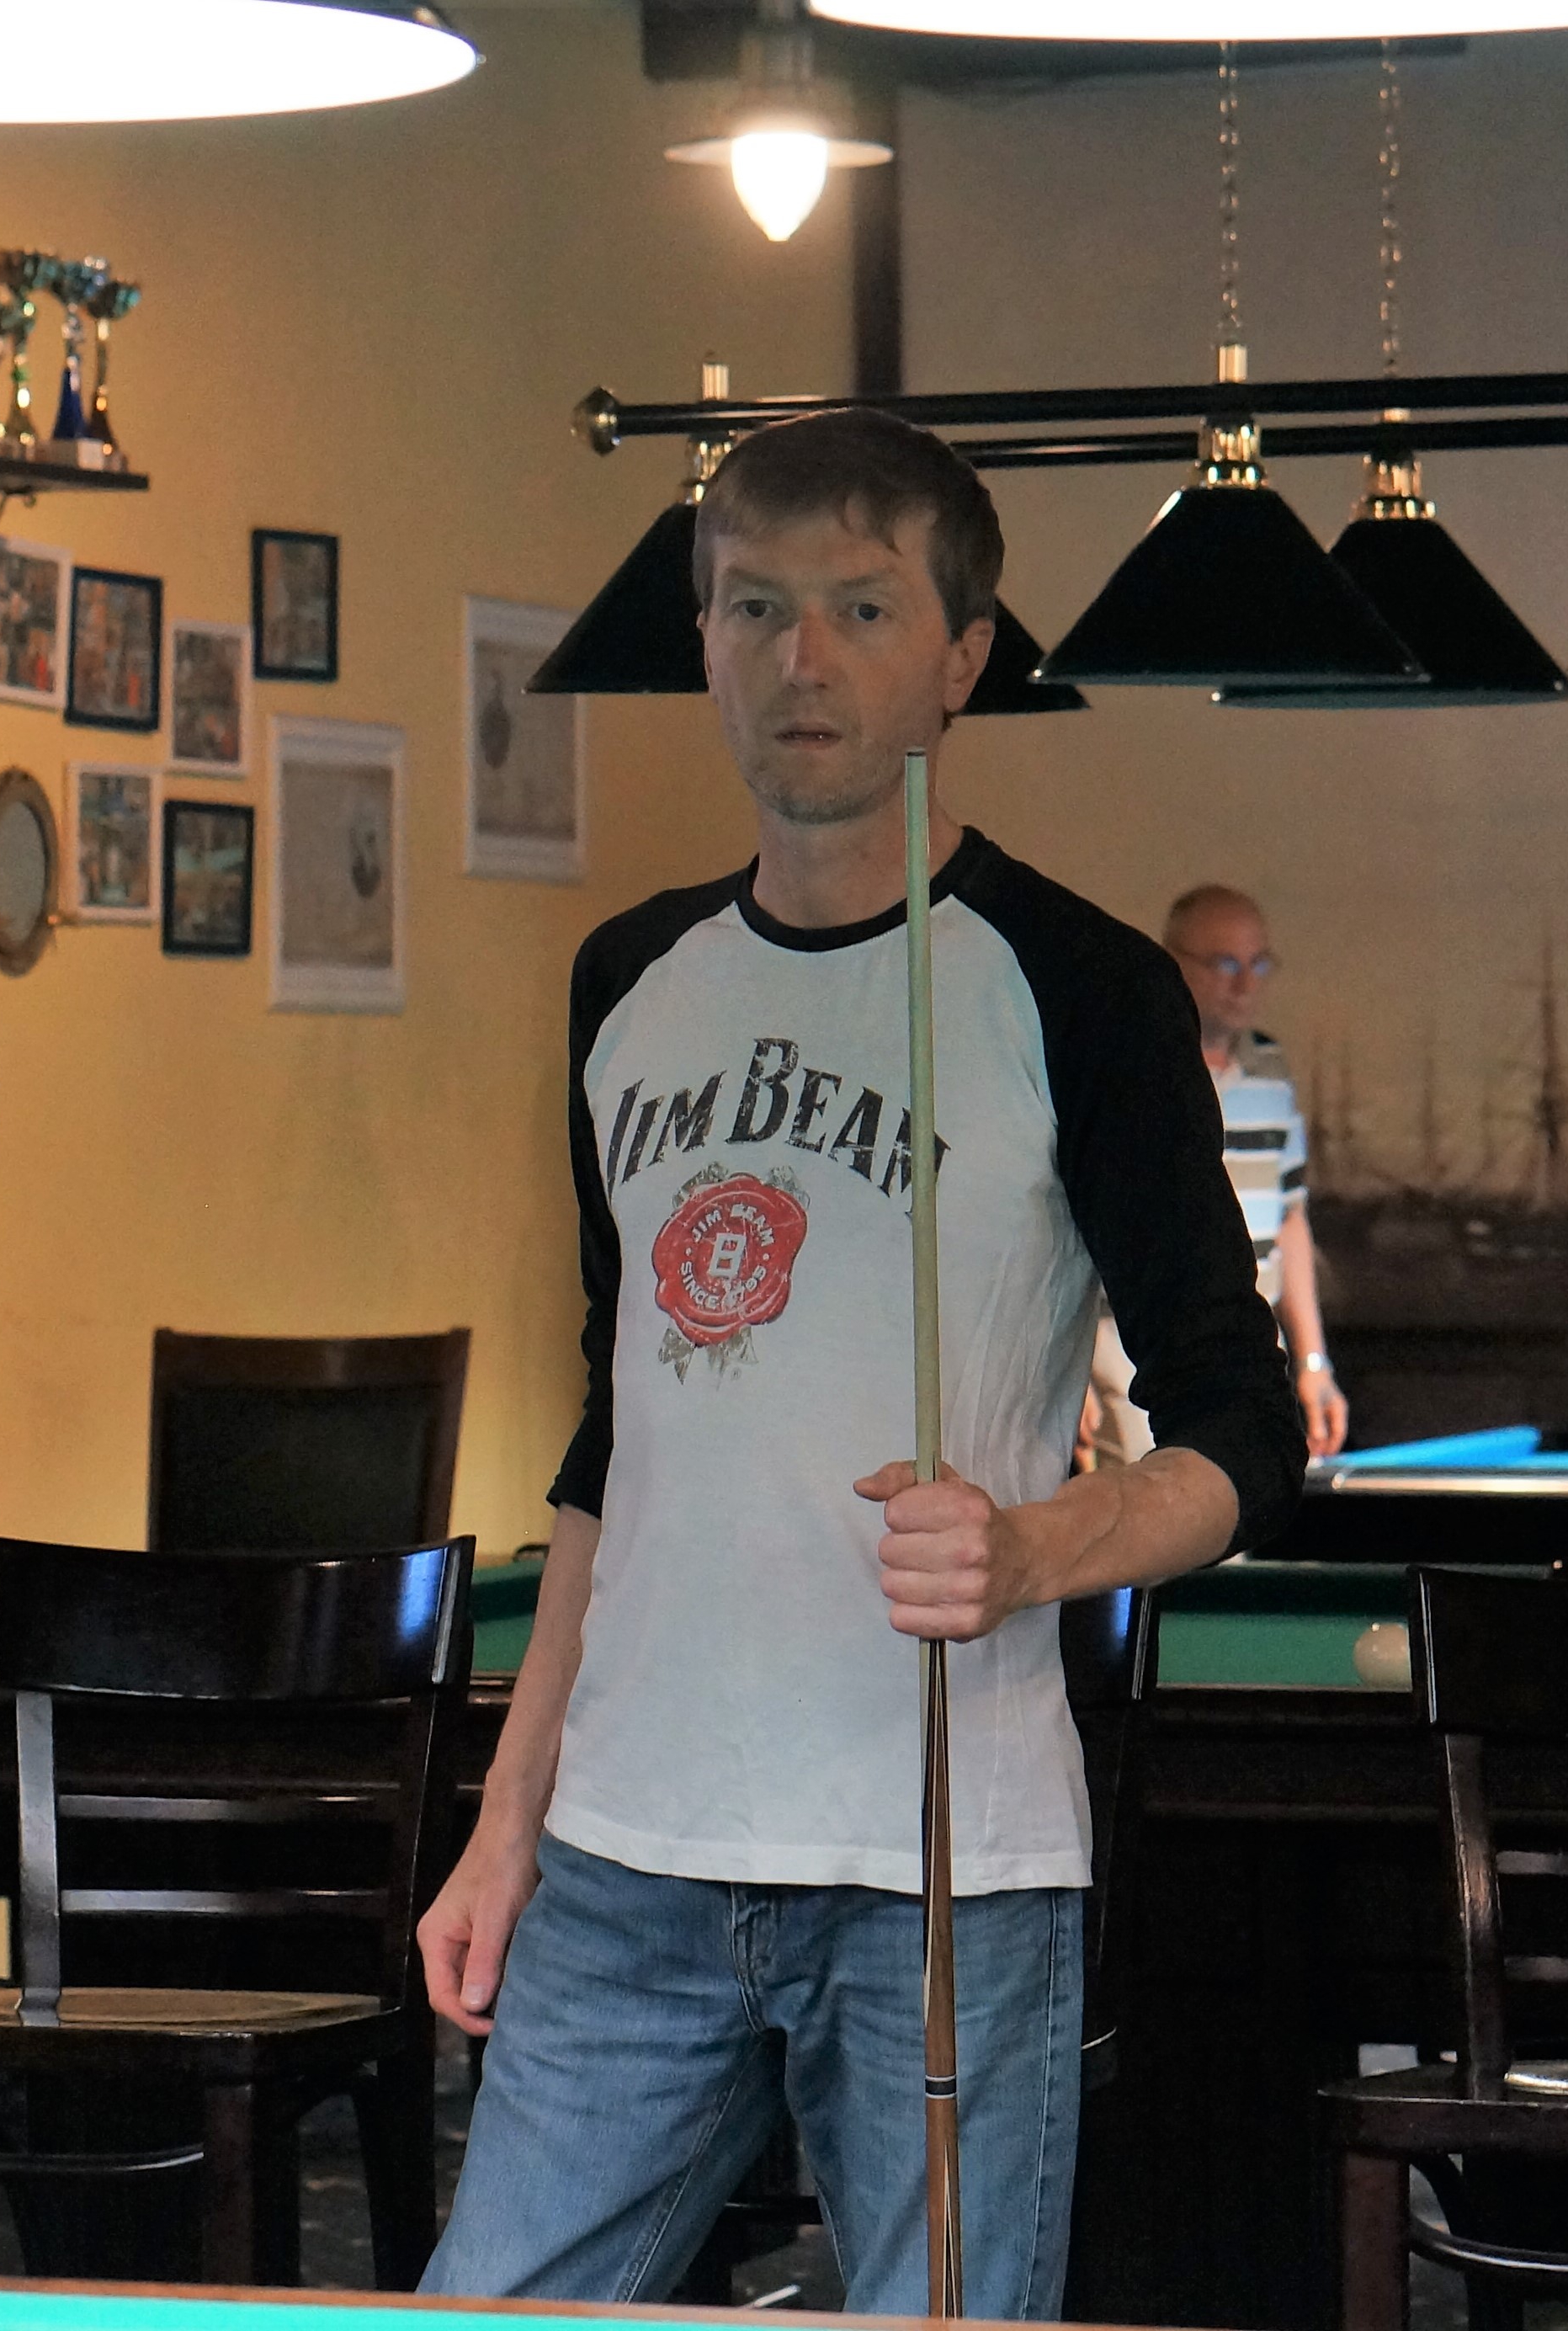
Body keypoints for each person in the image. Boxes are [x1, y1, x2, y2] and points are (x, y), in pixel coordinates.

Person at [416, 407, 1300, 2320]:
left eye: (860, 608)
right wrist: (503, 1823)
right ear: (704, 637)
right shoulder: (625, 981)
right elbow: (615, 1436)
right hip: (625, 1860)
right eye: (753, 606)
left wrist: (1034, 1547)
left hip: (943, 1870)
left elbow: (1242, 1421)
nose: (798, 657)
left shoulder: (1078, 987)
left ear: (960, 657)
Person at [1087, 887, 1347, 1463]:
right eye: (1226, 964)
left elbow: (1290, 1217)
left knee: (1241, 1509)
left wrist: (1312, 1362)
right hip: (1138, 1348)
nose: (1245, 984)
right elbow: (1075, 1226)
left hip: (1248, 1349)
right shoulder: (1126, 1067)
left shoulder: (1269, 1067)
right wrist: (1070, 1368)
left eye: (1259, 964)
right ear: (1172, 961)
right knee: (1154, 1511)